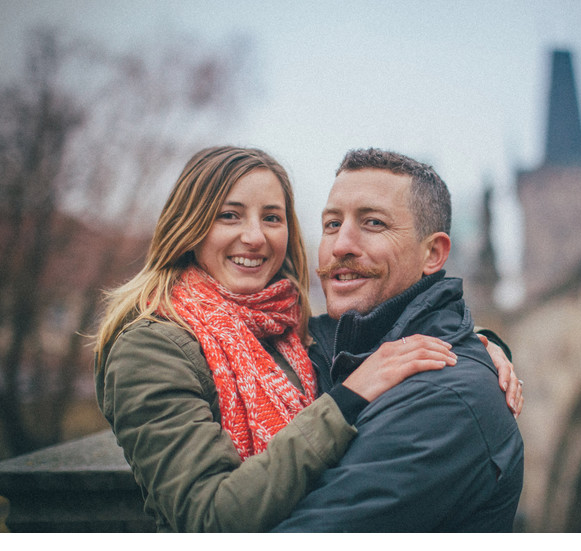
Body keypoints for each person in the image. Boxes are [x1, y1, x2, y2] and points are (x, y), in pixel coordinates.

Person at [94, 146, 520, 532]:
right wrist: (349, 398)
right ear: (190, 227)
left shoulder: (286, 334)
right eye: (229, 215)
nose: (255, 236)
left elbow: (378, 337)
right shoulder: (151, 347)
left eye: (272, 218)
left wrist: (472, 342)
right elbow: (209, 519)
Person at [272, 148, 524, 532]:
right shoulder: (313, 350)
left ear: (433, 253)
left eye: (373, 223)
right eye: (331, 224)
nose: (342, 245)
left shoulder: (448, 399)